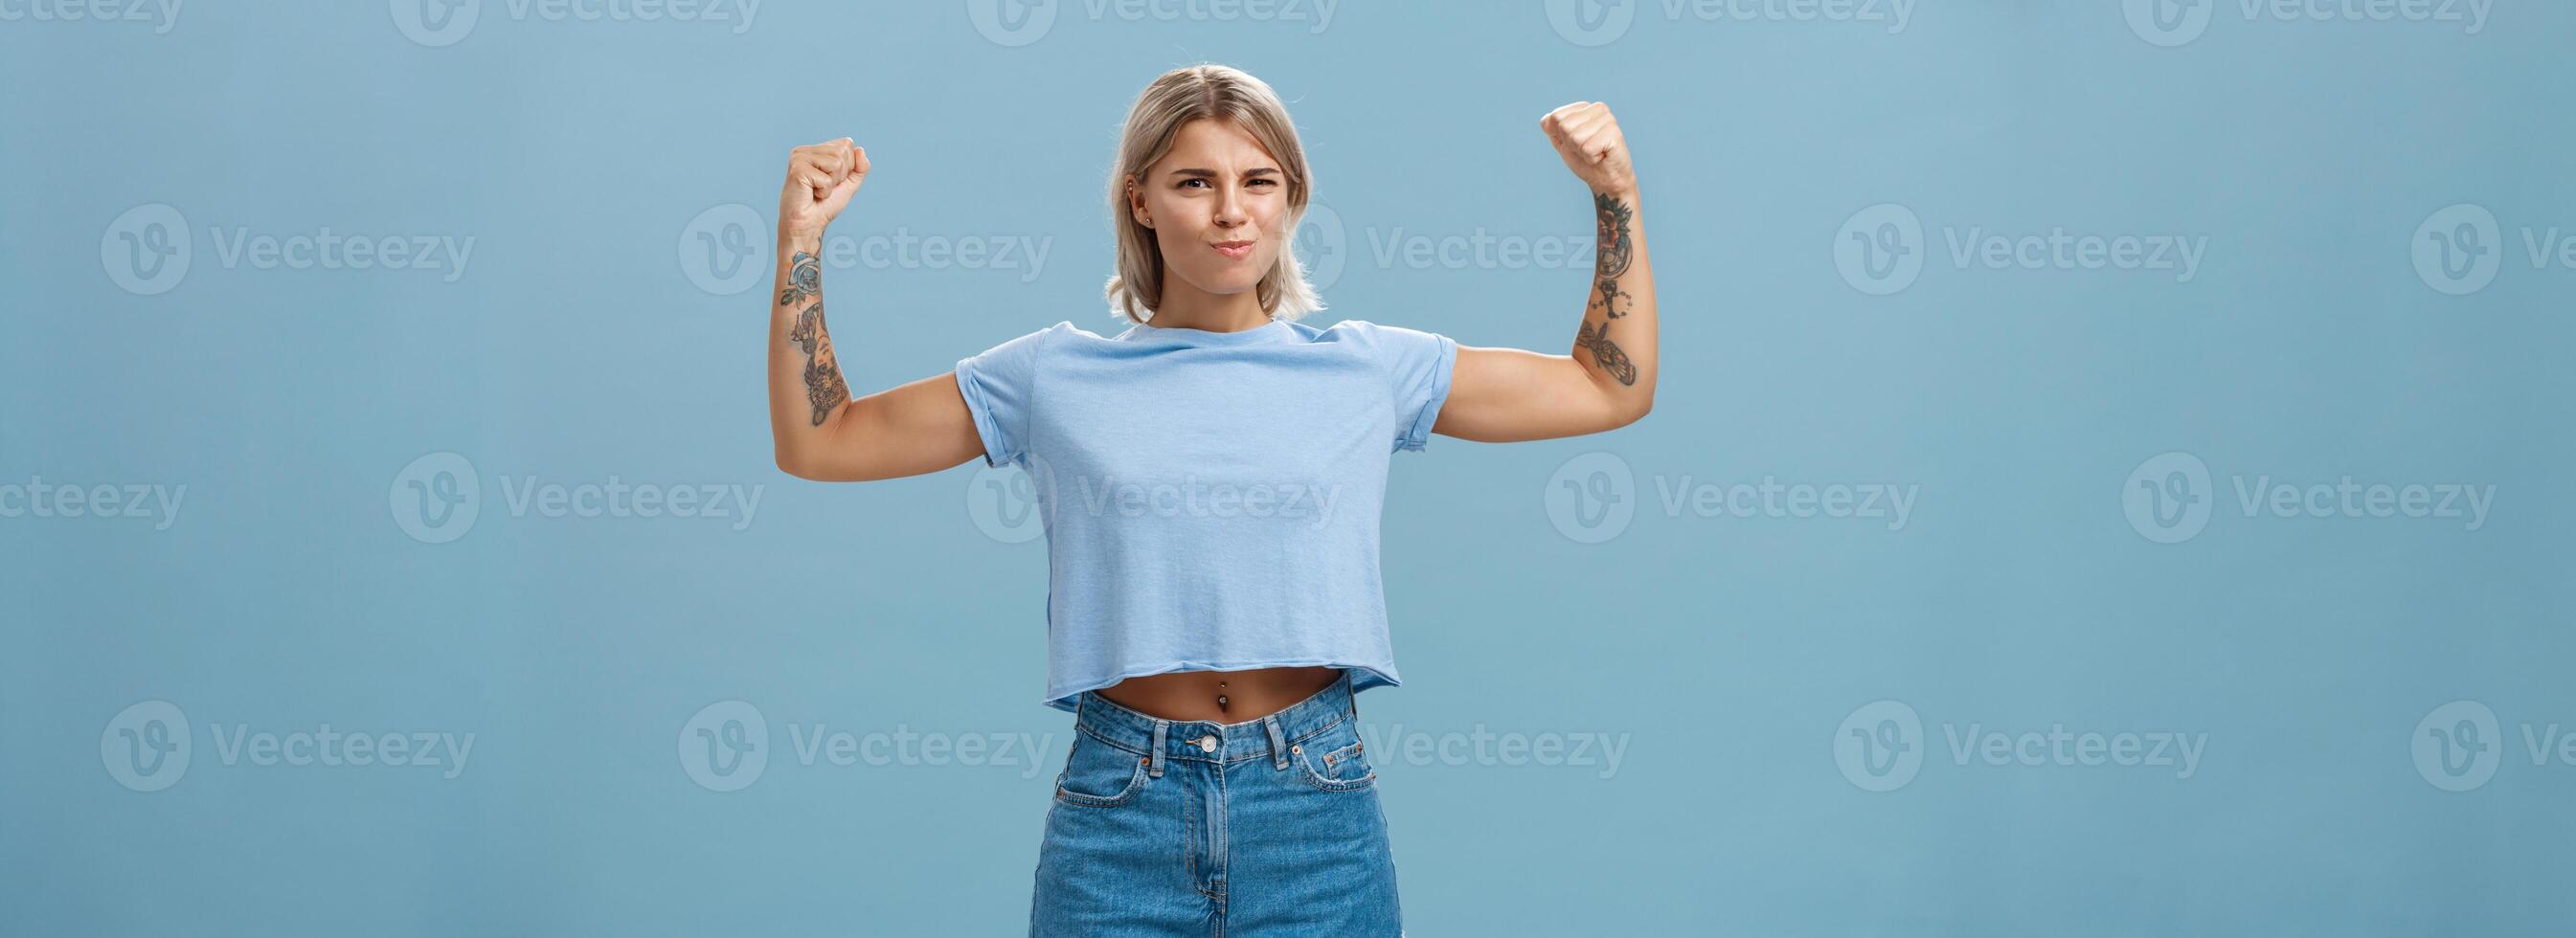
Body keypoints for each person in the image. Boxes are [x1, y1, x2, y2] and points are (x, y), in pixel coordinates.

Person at [764, 63, 1655, 936]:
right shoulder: (1054, 376)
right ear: (1140, 199)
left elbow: (1608, 389)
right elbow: (822, 440)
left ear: (1291, 198)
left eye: (1259, 180)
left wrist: (1615, 195)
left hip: (1316, 803)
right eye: (1196, 180)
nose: (1233, 210)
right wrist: (800, 246)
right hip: (1121, 809)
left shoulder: (1369, 368)